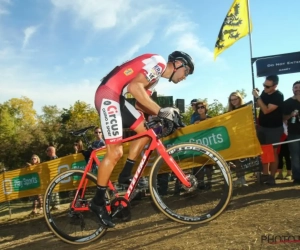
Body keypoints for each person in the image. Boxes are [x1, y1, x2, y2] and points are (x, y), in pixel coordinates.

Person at [90, 51, 195, 227]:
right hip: (108, 95)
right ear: (178, 64)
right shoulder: (159, 62)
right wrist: (162, 112)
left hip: (118, 98)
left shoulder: (155, 78)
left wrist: (164, 117)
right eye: (187, 72)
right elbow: (134, 88)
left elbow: (140, 104)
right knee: (115, 152)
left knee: (148, 132)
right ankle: (97, 202)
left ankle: (126, 174)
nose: (185, 77)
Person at [252, 75, 284, 185]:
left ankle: (272, 176)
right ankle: (265, 175)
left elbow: (265, 110)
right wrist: (257, 98)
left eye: (267, 86)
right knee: (264, 152)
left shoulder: (278, 96)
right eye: (264, 85)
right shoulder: (264, 93)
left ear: (275, 86)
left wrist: (257, 97)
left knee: (274, 153)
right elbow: (258, 105)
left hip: (274, 128)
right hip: (263, 127)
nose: (265, 88)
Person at [227, 92, 248, 187]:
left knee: (242, 159)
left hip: (243, 136)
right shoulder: (229, 111)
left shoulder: (244, 109)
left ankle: (242, 178)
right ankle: (239, 177)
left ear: (239, 99)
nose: (234, 101)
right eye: (232, 100)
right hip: (233, 137)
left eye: (235, 99)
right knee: (235, 159)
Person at [192, 101, 212, 189]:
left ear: (205, 108)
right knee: (199, 164)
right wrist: (194, 125)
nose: (200, 109)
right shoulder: (195, 121)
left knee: (209, 165)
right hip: (200, 144)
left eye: (202, 107)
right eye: (198, 107)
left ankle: (210, 182)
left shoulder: (211, 118)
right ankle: (200, 184)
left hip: (211, 143)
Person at [283, 80, 300, 185]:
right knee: (295, 156)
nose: (297, 89)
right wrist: (291, 115)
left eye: (299, 87)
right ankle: (297, 177)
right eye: (295, 88)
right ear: (292, 89)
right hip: (293, 132)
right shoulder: (287, 102)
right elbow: (283, 117)